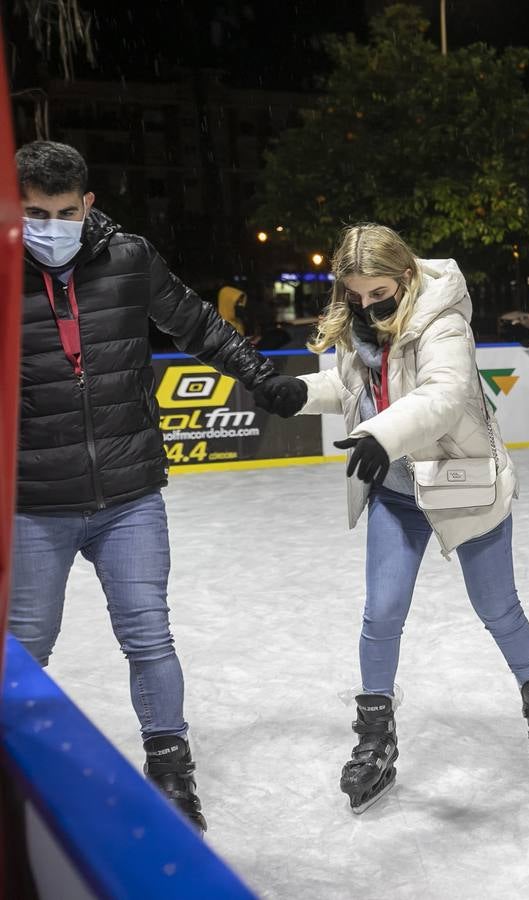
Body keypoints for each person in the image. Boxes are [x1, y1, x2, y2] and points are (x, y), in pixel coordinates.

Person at [10, 140, 304, 833]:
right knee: (27, 646)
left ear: (87, 205)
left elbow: (197, 323)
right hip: (34, 501)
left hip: (128, 493)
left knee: (148, 635)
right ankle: (16, 772)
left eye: (61, 212)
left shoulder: (129, 259)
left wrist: (259, 377)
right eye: (33, 213)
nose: (49, 226)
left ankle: (172, 774)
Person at [262, 224, 529, 811]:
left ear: (405, 278)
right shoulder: (359, 323)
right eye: (354, 295)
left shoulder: (443, 320)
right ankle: (374, 736)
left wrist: (381, 434)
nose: (365, 306)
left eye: (377, 294)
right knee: (381, 613)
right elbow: (357, 386)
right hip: (397, 494)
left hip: (462, 484)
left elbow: (445, 394)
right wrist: (300, 393)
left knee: (498, 609)